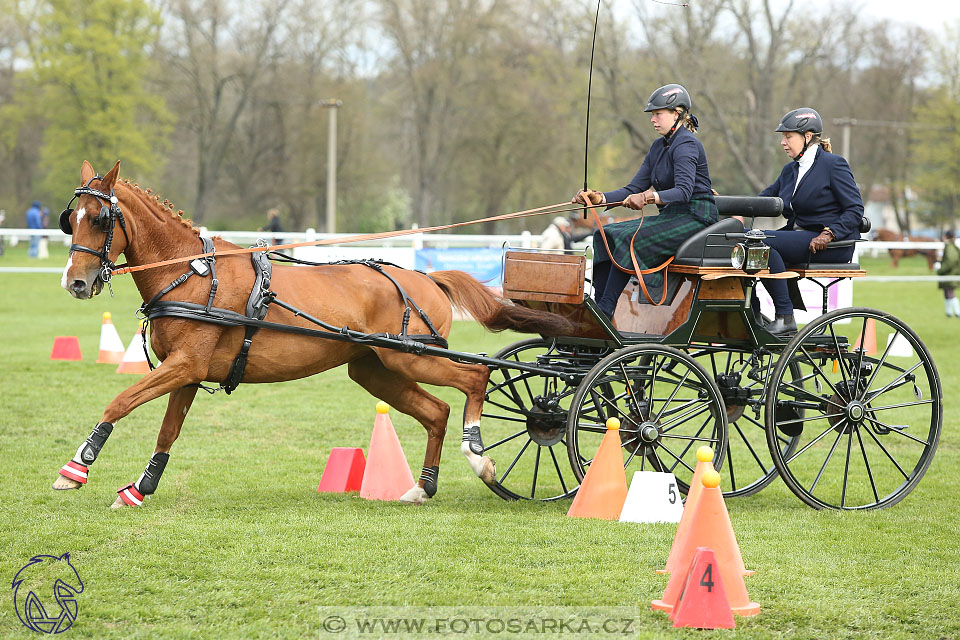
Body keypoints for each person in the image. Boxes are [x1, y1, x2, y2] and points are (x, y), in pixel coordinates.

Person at [573, 83, 718, 318]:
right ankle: (599, 306)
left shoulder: (687, 144)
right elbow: (634, 187)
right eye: (652, 115)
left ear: (677, 114)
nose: (653, 120)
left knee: (629, 238)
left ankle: (605, 311)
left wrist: (649, 197)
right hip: (671, 217)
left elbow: (683, 191)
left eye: (658, 114)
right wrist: (599, 198)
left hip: (696, 217)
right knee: (603, 234)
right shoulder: (658, 147)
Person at [754, 108, 864, 334]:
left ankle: (785, 317)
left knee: (762, 242)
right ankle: (752, 311)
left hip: (830, 244)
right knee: (746, 239)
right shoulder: (789, 171)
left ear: (807, 137)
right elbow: (763, 201)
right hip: (799, 238)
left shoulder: (833, 165)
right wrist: (726, 204)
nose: (783, 142)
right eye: (783, 137)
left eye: (788, 137)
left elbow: (855, 209)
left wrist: (830, 233)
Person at [938, 230, 960, 317]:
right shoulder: (951, 246)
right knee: (947, 293)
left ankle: (957, 312)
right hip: (950, 274)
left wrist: (940, 270)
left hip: (950, 274)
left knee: (950, 293)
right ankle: (949, 313)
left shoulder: (949, 247)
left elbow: (951, 261)